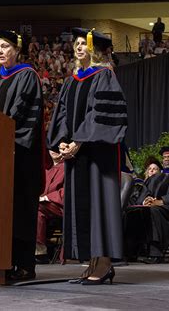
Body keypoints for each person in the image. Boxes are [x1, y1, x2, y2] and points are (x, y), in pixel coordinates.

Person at [47, 28, 127, 285]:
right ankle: (92, 260)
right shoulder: (72, 80)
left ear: (96, 49)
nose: (79, 48)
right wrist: (61, 143)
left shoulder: (105, 75)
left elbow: (102, 113)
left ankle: (104, 263)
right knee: (84, 207)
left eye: (85, 44)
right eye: (77, 44)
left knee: (99, 204)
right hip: (76, 155)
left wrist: (79, 141)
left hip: (98, 155)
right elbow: (61, 114)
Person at [0, 30, 43, 281]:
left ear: (17, 50)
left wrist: (2, 133)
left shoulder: (28, 76)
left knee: (20, 209)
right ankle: (1, 261)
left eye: (5, 46)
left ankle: (25, 265)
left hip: (20, 155)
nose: (0, 51)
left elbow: (21, 113)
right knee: (0, 209)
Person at [123, 146, 169, 263]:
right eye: (164, 157)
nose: (166, 159)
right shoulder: (156, 177)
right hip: (153, 208)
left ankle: (155, 253)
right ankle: (130, 252)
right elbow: (144, 192)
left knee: (154, 211)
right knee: (133, 212)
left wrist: (161, 201)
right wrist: (145, 200)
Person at [35, 150, 65, 264]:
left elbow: (66, 191)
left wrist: (46, 198)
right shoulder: (46, 167)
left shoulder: (68, 167)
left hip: (60, 207)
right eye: (52, 148)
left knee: (37, 207)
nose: (54, 151)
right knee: (34, 209)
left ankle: (40, 251)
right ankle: (38, 252)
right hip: (45, 206)